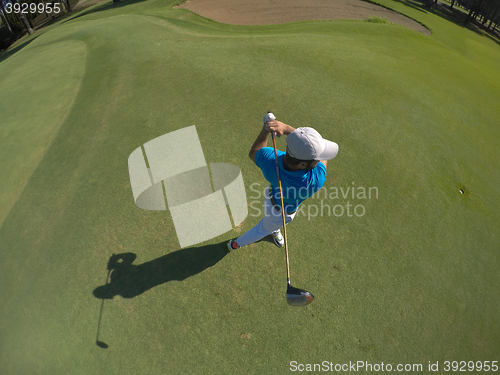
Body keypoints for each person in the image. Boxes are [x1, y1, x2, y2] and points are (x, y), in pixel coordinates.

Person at [227, 113, 339, 251]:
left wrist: (268, 128)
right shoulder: (316, 180)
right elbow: (324, 157)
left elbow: (254, 151)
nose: (319, 159)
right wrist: (289, 130)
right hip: (281, 214)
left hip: (270, 195)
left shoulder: (270, 159)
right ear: (303, 164)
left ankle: (274, 230)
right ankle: (236, 244)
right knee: (261, 230)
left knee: (270, 224)